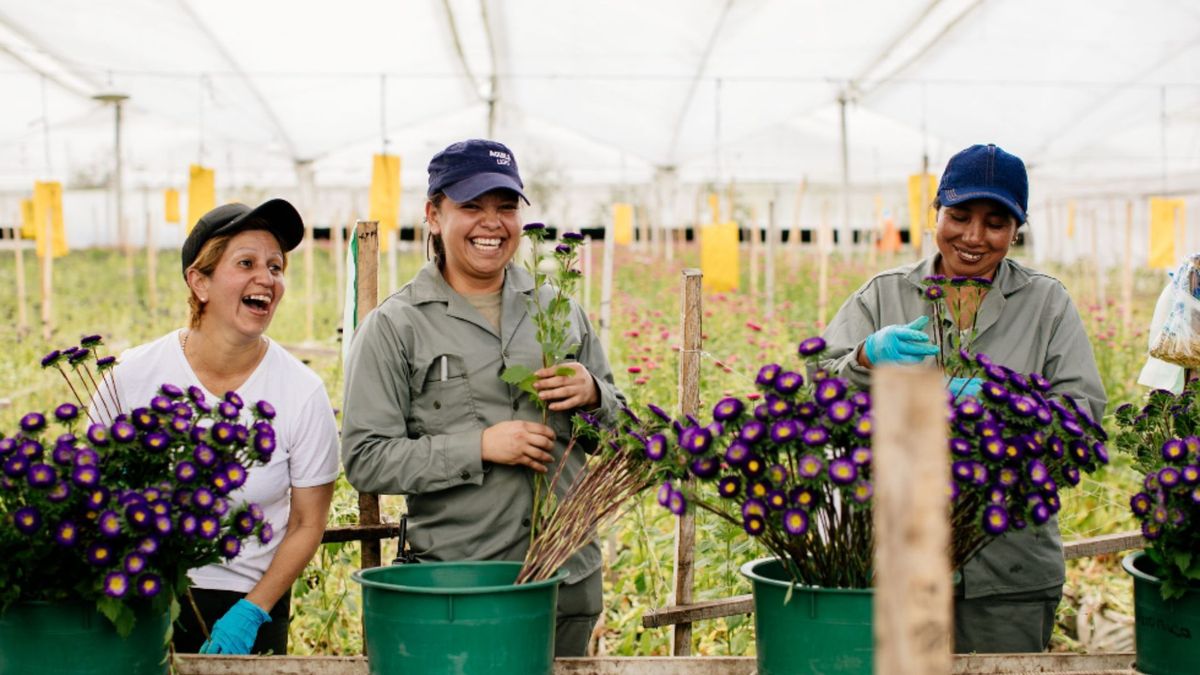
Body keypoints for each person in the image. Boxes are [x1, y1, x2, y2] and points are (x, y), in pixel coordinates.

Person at [341, 139, 626, 657]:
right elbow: (365, 457)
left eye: (506, 206)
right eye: (471, 206)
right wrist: (479, 446)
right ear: (433, 215)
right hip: (461, 585)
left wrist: (593, 394)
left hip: (566, 577)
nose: (491, 223)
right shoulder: (396, 326)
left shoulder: (558, 309)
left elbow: (627, 436)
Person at [819, 144, 1106, 653]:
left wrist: (1004, 405)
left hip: (1010, 559)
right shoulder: (883, 295)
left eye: (996, 222)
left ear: (1017, 229)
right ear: (937, 213)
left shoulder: (1047, 304)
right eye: (959, 216)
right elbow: (817, 393)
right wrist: (864, 360)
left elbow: (1082, 416)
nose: (974, 237)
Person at [96, 199, 340, 654]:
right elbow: (90, 489)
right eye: (246, 262)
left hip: (250, 604)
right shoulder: (133, 376)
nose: (266, 279)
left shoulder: (301, 392)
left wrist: (252, 611)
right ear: (199, 281)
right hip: (143, 599)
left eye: (276, 266)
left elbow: (308, 521)